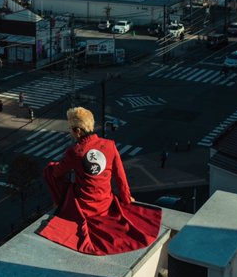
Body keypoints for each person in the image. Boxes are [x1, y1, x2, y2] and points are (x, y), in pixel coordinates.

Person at [38, 107, 162, 255]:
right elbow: (120, 176)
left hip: (84, 206)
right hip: (105, 202)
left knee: (49, 170)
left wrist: (53, 166)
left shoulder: (75, 151)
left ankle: (60, 204)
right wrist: (126, 198)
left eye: (70, 129)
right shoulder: (110, 145)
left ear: (78, 131)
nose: (70, 132)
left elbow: (57, 173)